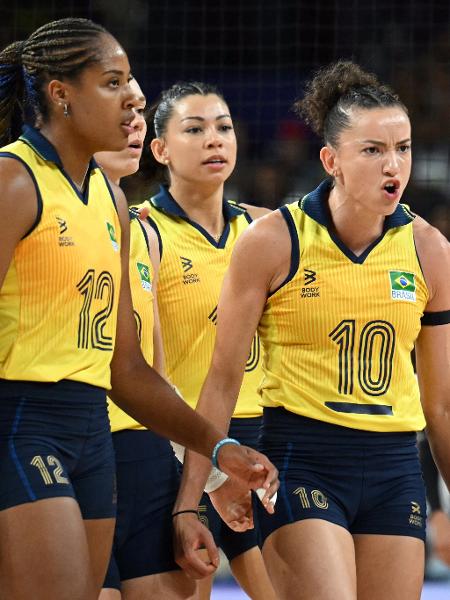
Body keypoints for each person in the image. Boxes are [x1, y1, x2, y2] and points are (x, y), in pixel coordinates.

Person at [0, 19, 277, 600]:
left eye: (132, 84)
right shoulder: (13, 179)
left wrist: (218, 447)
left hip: (92, 434)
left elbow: (126, 371)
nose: (133, 98)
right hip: (22, 422)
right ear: (61, 94)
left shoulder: (112, 201)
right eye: (112, 82)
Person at [173, 60, 450, 600]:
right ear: (332, 160)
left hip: (395, 470)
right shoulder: (273, 241)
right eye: (372, 150)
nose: (393, 164)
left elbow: (439, 406)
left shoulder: (430, 250)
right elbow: (222, 381)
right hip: (305, 462)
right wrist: (192, 497)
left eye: (404, 148)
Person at [137, 81, 277, 599]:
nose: (214, 139)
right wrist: (215, 477)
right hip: (183, 449)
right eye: (194, 129)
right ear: (161, 150)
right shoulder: (144, 233)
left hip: (265, 443)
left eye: (223, 127)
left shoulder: (266, 230)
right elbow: (145, 374)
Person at [95, 80, 200, 599]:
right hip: (77, 440)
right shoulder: (35, 202)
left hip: (145, 453)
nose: (136, 122)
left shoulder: (144, 234)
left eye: (140, 112)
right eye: (123, 110)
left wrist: (199, 478)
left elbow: (154, 374)